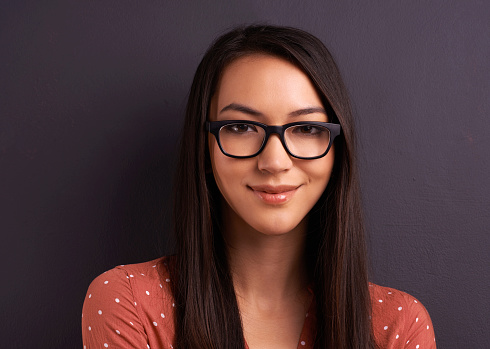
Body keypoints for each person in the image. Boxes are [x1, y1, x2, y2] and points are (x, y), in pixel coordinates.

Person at [82, 25, 436, 349]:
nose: (275, 161)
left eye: (307, 129)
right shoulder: (129, 301)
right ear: (204, 148)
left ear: (336, 152)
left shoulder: (399, 325)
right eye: (241, 127)